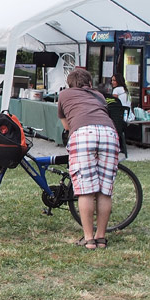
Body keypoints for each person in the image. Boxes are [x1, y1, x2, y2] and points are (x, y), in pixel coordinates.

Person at [57, 68, 121, 250]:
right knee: (104, 190)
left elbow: (67, 125)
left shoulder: (64, 95)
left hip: (83, 133)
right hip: (109, 133)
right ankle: (101, 237)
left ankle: (88, 239)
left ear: (70, 84)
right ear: (90, 84)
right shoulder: (99, 96)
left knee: (85, 190)